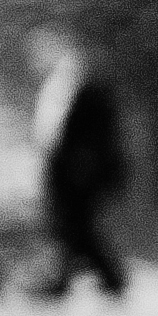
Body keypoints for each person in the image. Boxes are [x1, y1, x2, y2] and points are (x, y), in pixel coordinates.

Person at [31, 33, 130, 300]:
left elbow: (91, 137)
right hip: (66, 171)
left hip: (79, 173)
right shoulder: (63, 88)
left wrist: (82, 167)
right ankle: (75, 279)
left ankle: (107, 278)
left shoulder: (85, 90)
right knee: (69, 226)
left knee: (76, 226)